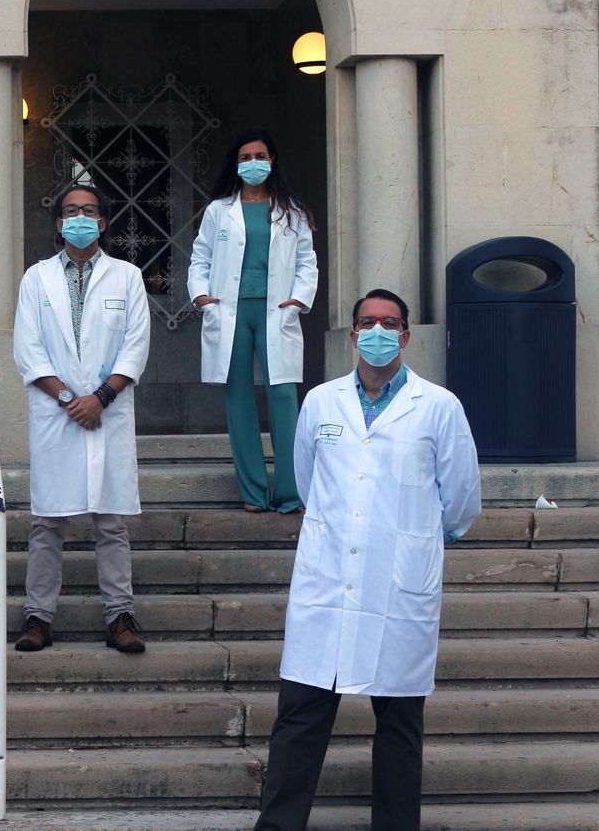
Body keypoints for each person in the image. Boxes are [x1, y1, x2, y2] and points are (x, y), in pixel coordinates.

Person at [256, 288, 482, 831]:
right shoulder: (321, 402)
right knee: (300, 719)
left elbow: (462, 497)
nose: (377, 332)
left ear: (405, 335)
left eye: (389, 323)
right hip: (327, 584)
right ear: (353, 332)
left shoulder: (439, 407)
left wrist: (420, 539)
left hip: (398, 586)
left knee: (400, 724)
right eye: (367, 322)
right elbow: (309, 481)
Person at [11, 184, 152, 655]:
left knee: (110, 520)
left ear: (104, 221)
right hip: (59, 412)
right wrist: (72, 398)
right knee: (48, 520)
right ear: (58, 223)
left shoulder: (127, 276)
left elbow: (135, 345)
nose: (80, 217)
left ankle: (120, 616)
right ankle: (37, 617)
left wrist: (102, 397)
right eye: (70, 210)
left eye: (89, 211)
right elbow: (28, 349)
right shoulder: (36, 278)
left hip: (107, 411)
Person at [187, 129, 318, 514]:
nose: (253, 163)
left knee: (283, 397)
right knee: (238, 397)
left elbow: (307, 262)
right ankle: (254, 492)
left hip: (276, 311)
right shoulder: (218, 210)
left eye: (260, 155)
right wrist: (200, 295)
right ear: (236, 164)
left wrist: (299, 298)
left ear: (272, 160)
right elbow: (201, 258)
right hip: (231, 310)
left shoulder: (292, 212)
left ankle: (291, 492)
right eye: (245, 157)